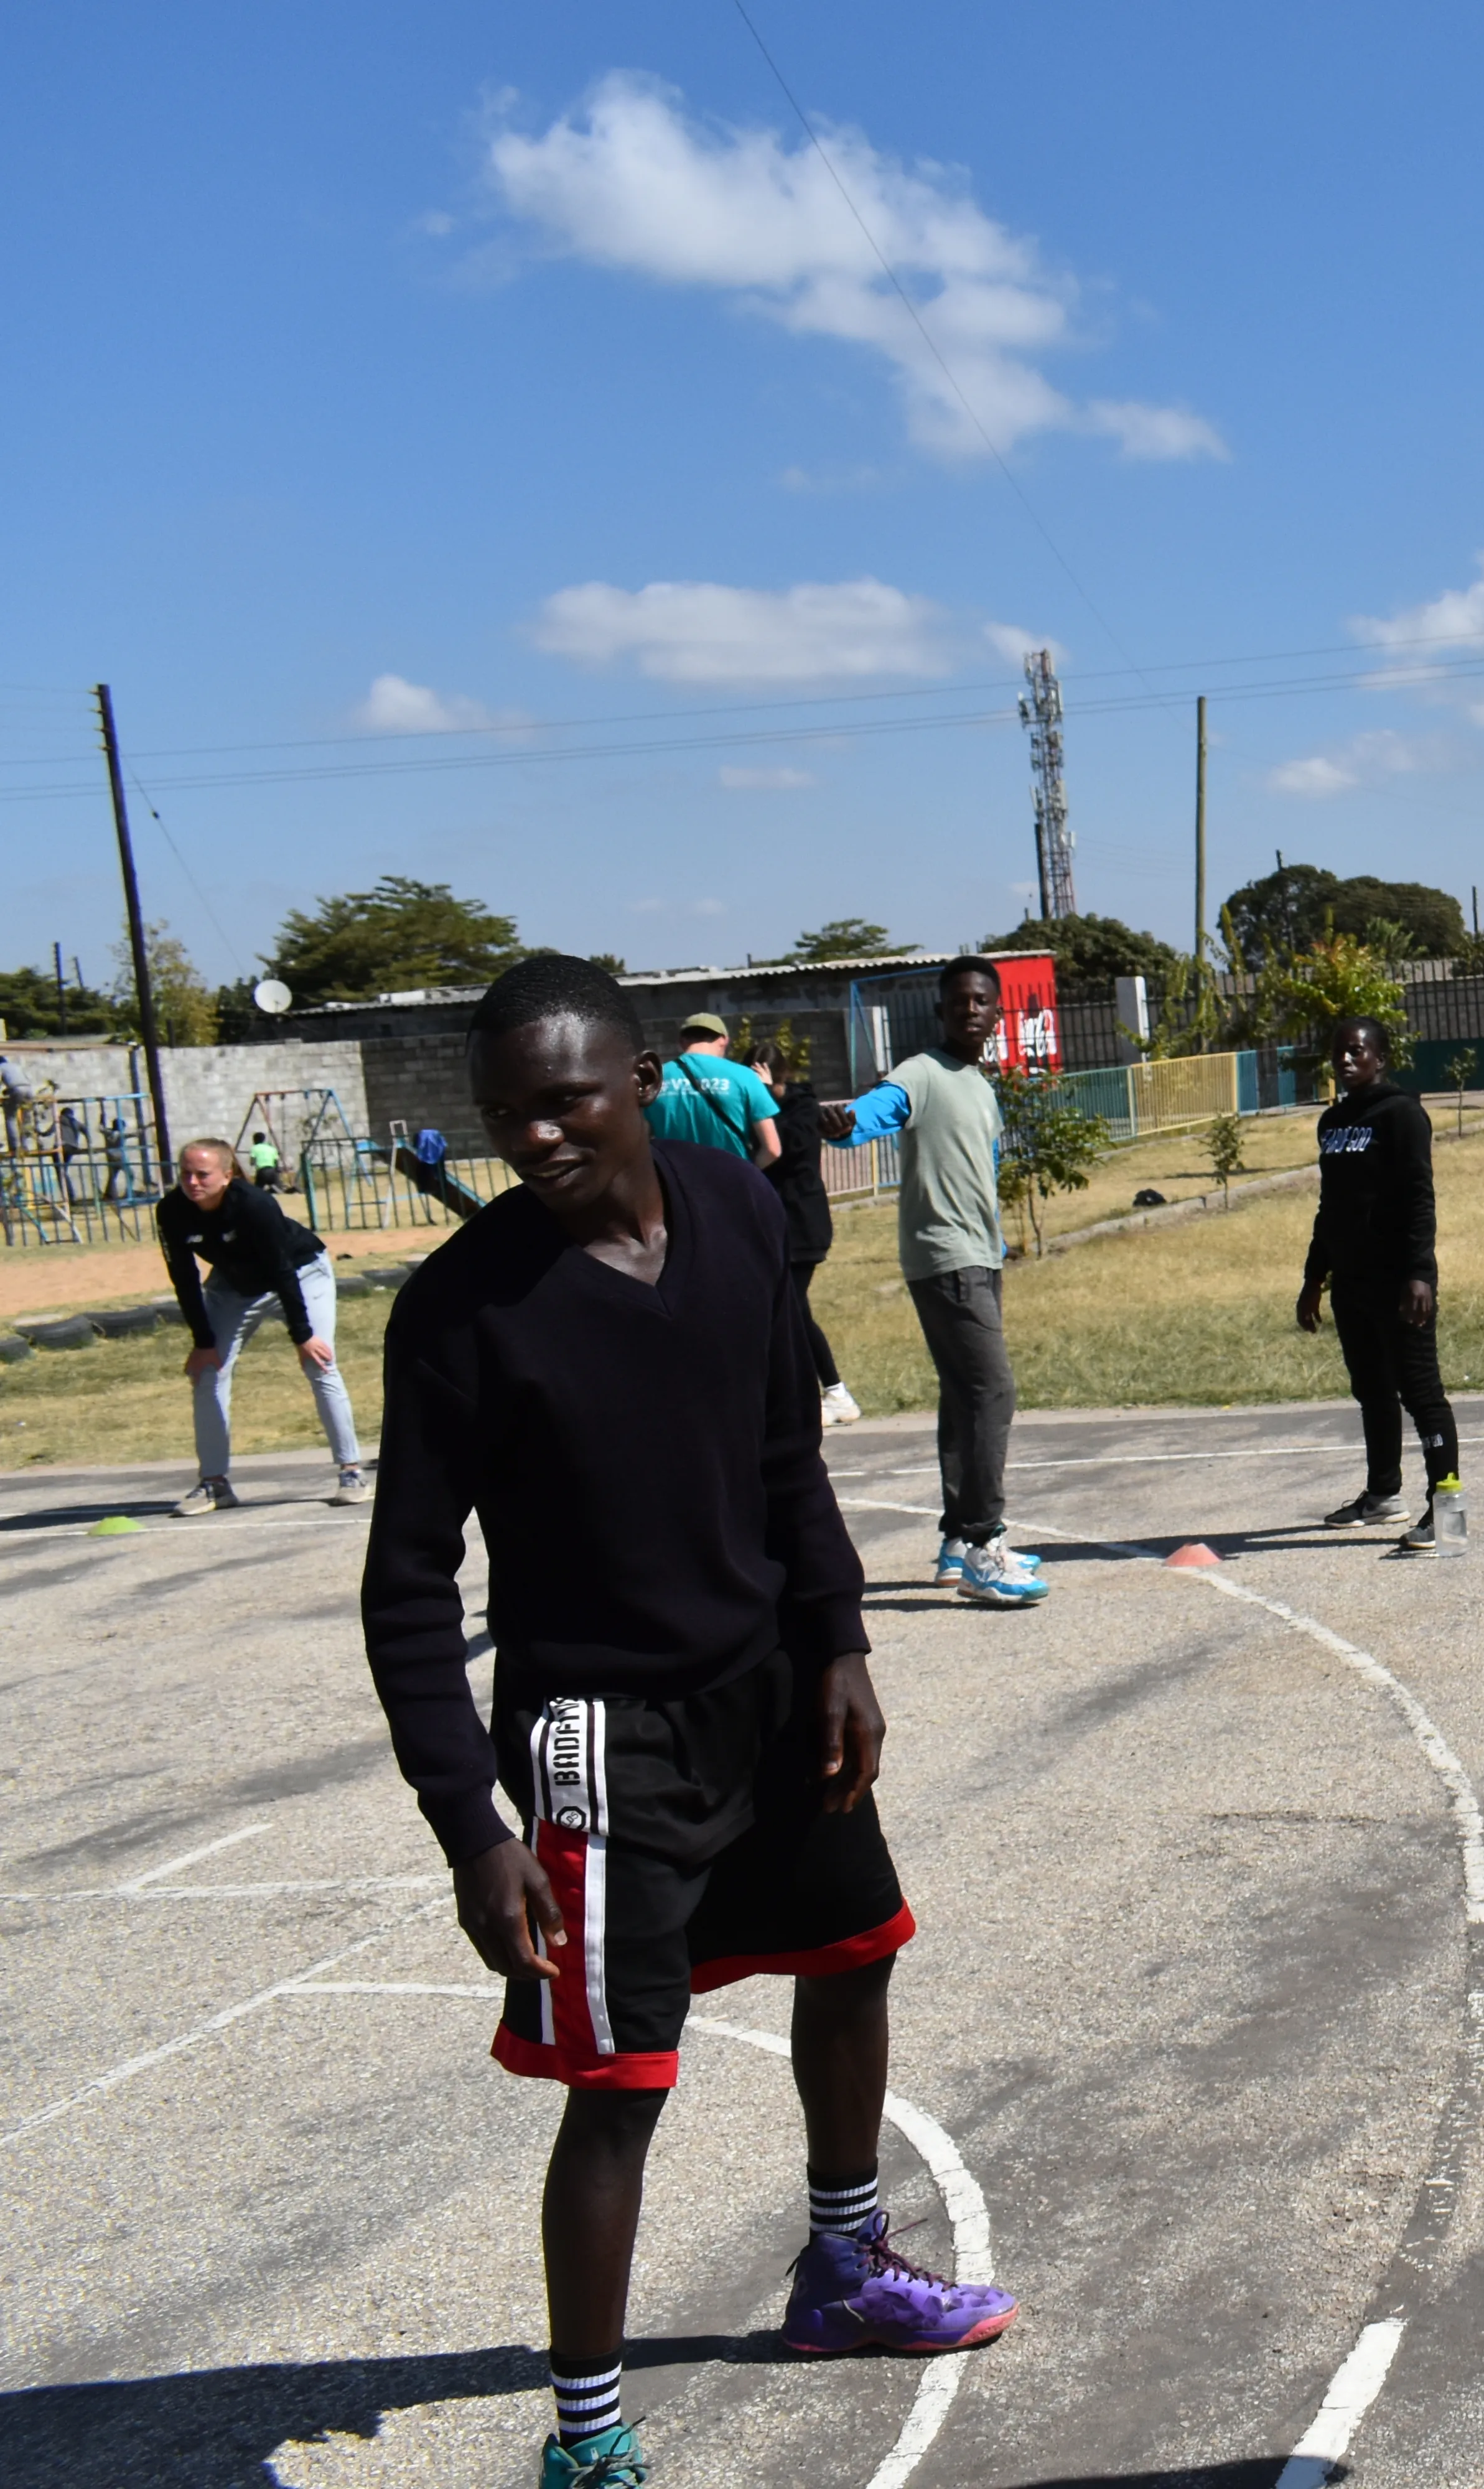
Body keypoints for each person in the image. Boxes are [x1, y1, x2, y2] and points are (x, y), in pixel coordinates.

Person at [360, 955, 1014, 2489]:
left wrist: (840, 1637)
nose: (535, 1137)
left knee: (858, 1954)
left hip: (773, 1693)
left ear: (640, 1079)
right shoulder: (463, 1313)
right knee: (619, 2086)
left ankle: (844, 2269)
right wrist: (473, 1826)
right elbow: (405, 1595)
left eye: (567, 1100)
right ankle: (587, 2435)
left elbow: (787, 1445)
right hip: (603, 1735)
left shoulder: (727, 1207)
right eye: (507, 1112)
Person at [829, 960, 1045, 1605]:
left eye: (981, 1001)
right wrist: (846, 1122)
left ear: (996, 1013)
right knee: (992, 1391)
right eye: (959, 1002)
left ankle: (957, 1539)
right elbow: (875, 1113)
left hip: (980, 1254)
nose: (970, 1010)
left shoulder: (980, 1083)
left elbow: (978, 1165)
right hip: (945, 1256)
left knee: (963, 1394)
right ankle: (985, 1545)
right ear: (941, 1011)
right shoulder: (920, 1072)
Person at [1295, 1015, 1462, 1549]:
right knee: (1371, 1391)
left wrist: (1420, 1273)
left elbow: (1419, 1197)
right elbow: (1331, 1208)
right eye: (1339, 1051)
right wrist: (1313, 1277)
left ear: (1380, 1058)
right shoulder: (1332, 1122)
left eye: (1358, 1051)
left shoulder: (1402, 1114)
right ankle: (1384, 1495)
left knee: (1421, 1392)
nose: (1346, 1059)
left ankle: (1447, 1510)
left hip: (1397, 1281)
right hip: (1352, 1281)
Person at [158, 1136, 366, 1511]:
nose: (192, 1183)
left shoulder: (254, 1204)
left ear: (226, 1176)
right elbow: (184, 1279)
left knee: (319, 1362)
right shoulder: (171, 1210)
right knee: (208, 1372)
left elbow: (281, 1269)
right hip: (234, 1284)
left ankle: (351, 1470)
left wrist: (302, 1336)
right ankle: (214, 1484)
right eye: (185, 1174)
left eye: (202, 1175)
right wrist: (203, 1341)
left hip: (301, 1272)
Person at [752, 1034, 859, 1427]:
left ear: (781, 1080)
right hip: (772, 1226)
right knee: (791, 1311)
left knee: (792, 1311)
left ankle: (834, 1393)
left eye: (768, 1085)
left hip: (803, 1226)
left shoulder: (802, 1109)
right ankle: (825, 1394)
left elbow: (785, 1150)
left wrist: (765, 1100)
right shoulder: (761, 1110)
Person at [646, 1011, 780, 1169]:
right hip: (731, 1180)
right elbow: (772, 1150)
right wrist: (747, 1174)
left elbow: (640, 1141)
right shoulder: (745, 1077)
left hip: (676, 1183)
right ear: (724, 1040)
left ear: (682, 1042)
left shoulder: (655, 1080)